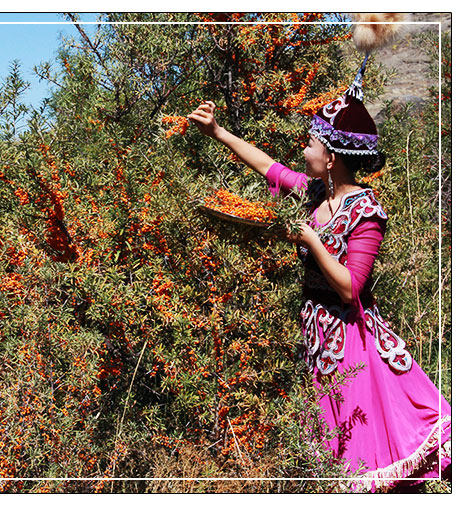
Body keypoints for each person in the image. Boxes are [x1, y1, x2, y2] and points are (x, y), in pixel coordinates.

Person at [188, 59, 450, 490]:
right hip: (318, 336)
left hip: (353, 343)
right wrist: (217, 132)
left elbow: (351, 288)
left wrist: (311, 239)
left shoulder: (366, 211)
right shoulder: (315, 194)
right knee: (332, 445)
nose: (304, 150)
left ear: (330, 158)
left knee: (361, 446)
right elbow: (268, 167)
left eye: (310, 143)